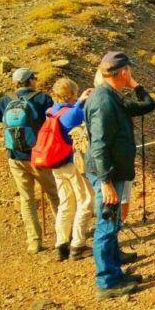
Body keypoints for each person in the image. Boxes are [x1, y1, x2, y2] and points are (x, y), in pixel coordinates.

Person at [85, 52, 155, 300]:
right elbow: (99, 145)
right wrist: (105, 182)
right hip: (107, 172)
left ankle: (116, 273)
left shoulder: (109, 96)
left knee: (112, 223)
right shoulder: (104, 102)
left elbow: (148, 105)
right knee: (106, 226)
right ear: (123, 72)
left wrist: (136, 85)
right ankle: (107, 281)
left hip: (112, 170)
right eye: (130, 72)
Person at [0, 68, 60, 254]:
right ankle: (63, 237)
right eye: (35, 78)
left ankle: (34, 242)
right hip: (39, 157)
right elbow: (55, 122)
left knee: (27, 199)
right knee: (54, 195)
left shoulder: (6, 100)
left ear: (15, 83)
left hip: (14, 157)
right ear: (31, 81)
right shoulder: (42, 99)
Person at [44, 78, 95, 262]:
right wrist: (81, 102)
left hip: (55, 164)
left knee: (66, 203)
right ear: (72, 93)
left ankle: (61, 244)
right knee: (86, 201)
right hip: (71, 164)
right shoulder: (71, 113)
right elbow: (79, 118)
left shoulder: (50, 111)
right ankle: (78, 245)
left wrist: (79, 101)